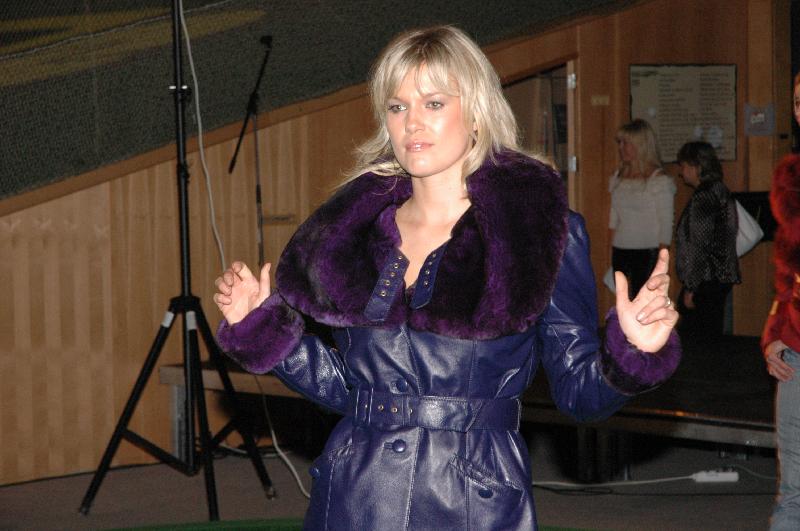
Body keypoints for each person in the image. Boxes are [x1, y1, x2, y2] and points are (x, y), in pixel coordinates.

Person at [214, 26, 681, 531]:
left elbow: (579, 394)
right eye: (397, 107)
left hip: (474, 500)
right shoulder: (351, 235)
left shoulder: (537, 232)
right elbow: (350, 389)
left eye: (433, 103)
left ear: (476, 112)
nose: (412, 121)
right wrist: (262, 328)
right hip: (355, 497)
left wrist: (632, 351)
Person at [762, 72, 800, 531]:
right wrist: (774, 335)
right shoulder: (791, 179)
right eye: (798, 101)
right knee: (792, 491)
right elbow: (787, 273)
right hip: (797, 349)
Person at [674, 141, 740, 343]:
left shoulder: (703, 197)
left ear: (697, 167)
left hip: (706, 279)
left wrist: (691, 287)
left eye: (684, 166)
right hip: (720, 275)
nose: (681, 172)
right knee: (713, 334)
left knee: (697, 340)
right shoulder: (720, 190)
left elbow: (699, 244)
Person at [609, 119, 676, 299]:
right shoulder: (618, 176)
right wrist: (611, 250)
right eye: (620, 143)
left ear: (641, 145)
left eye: (626, 143)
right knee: (623, 300)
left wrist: (662, 261)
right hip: (620, 249)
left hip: (647, 252)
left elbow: (666, 223)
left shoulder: (658, 180)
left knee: (644, 300)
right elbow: (614, 218)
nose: (621, 148)